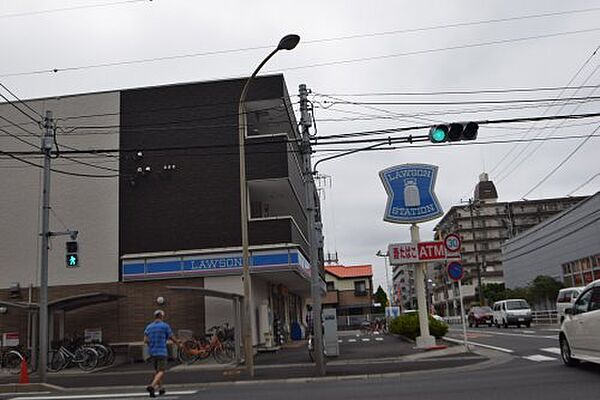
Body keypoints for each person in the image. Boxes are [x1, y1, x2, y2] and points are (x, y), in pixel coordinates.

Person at [144, 309, 178, 398]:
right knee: (161, 371)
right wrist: (178, 343)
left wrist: (152, 344)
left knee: (157, 371)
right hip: (162, 351)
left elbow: (145, 340)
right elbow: (171, 337)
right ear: (162, 316)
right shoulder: (165, 326)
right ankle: (152, 386)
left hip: (152, 352)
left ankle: (161, 389)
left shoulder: (149, 327)